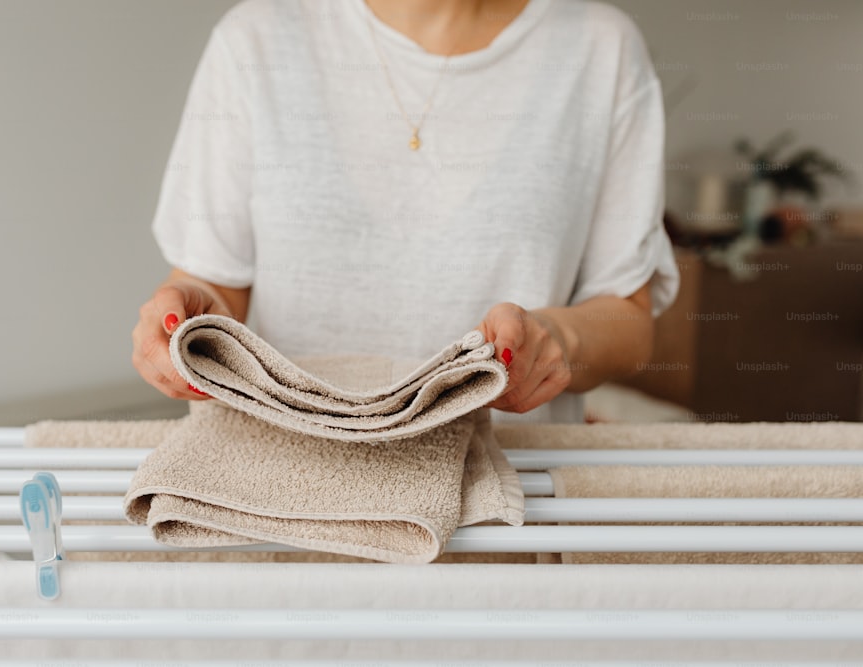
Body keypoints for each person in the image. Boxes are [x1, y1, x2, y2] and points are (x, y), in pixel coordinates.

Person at [132, 0, 680, 423]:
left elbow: (628, 321)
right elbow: (215, 284)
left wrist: (556, 339)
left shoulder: (601, 49)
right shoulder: (253, 40)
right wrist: (188, 318)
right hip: (286, 495)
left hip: (509, 504)